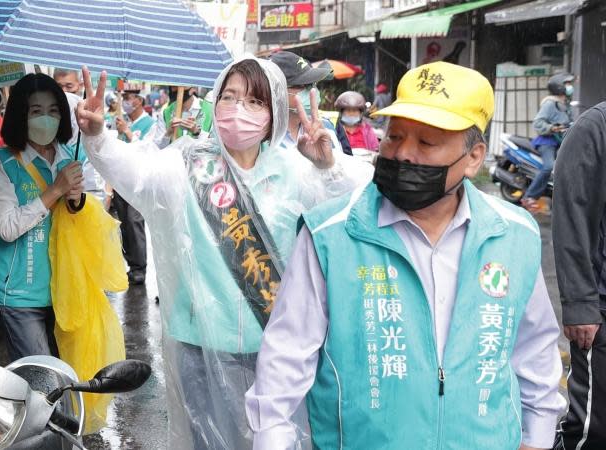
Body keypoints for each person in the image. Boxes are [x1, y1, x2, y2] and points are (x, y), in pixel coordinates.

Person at [246, 61, 566, 450]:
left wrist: (537, 438)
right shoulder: (331, 234)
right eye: (394, 136)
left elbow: (534, 348)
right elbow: (285, 358)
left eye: (427, 143)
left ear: (474, 157)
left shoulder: (514, 233)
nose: (403, 154)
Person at [75, 56, 371, 449]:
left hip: (276, 347)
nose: (238, 110)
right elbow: (137, 174)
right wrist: (98, 137)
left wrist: (328, 166)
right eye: (229, 97)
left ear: (274, 112)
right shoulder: (188, 164)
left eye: (254, 102)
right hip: (200, 345)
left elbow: (360, 200)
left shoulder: (296, 170)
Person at [0, 73, 85, 361]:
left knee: (70, 379)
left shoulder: (68, 159)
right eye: (36, 111)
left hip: (64, 290)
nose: (46, 118)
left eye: (54, 111)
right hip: (20, 294)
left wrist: (77, 202)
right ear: (19, 115)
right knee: (43, 380)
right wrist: (55, 190)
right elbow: (6, 227)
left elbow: (82, 225)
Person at [551, 101, 606, 450]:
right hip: (600, 309)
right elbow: (572, 214)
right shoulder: (596, 126)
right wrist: (580, 303)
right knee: (592, 427)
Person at [268, 51, 354, 158]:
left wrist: (327, 163)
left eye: (314, 84)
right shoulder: (261, 136)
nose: (312, 91)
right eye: (302, 85)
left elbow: (345, 170)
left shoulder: (327, 126)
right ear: (276, 90)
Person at [113, 88, 155, 285]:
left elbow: (148, 150)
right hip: (121, 181)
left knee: (134, 221)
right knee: (124, 223)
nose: (125, 102)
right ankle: (131, 265)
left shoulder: (149, 123)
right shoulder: (124, 122)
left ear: (138, 100)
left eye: (128, 98)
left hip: (139, 182)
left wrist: (128, 133)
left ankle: (140, 268)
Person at [522, 73, 574, 212]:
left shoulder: (566, 104)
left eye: (570, 84)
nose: (570, 87)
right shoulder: (550, 103)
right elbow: (538, 123)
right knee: (548, 166)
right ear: (559, 87)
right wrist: (552, 127)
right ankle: (529, 197)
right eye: (567, 84)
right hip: (547, 142)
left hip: (561, 142)